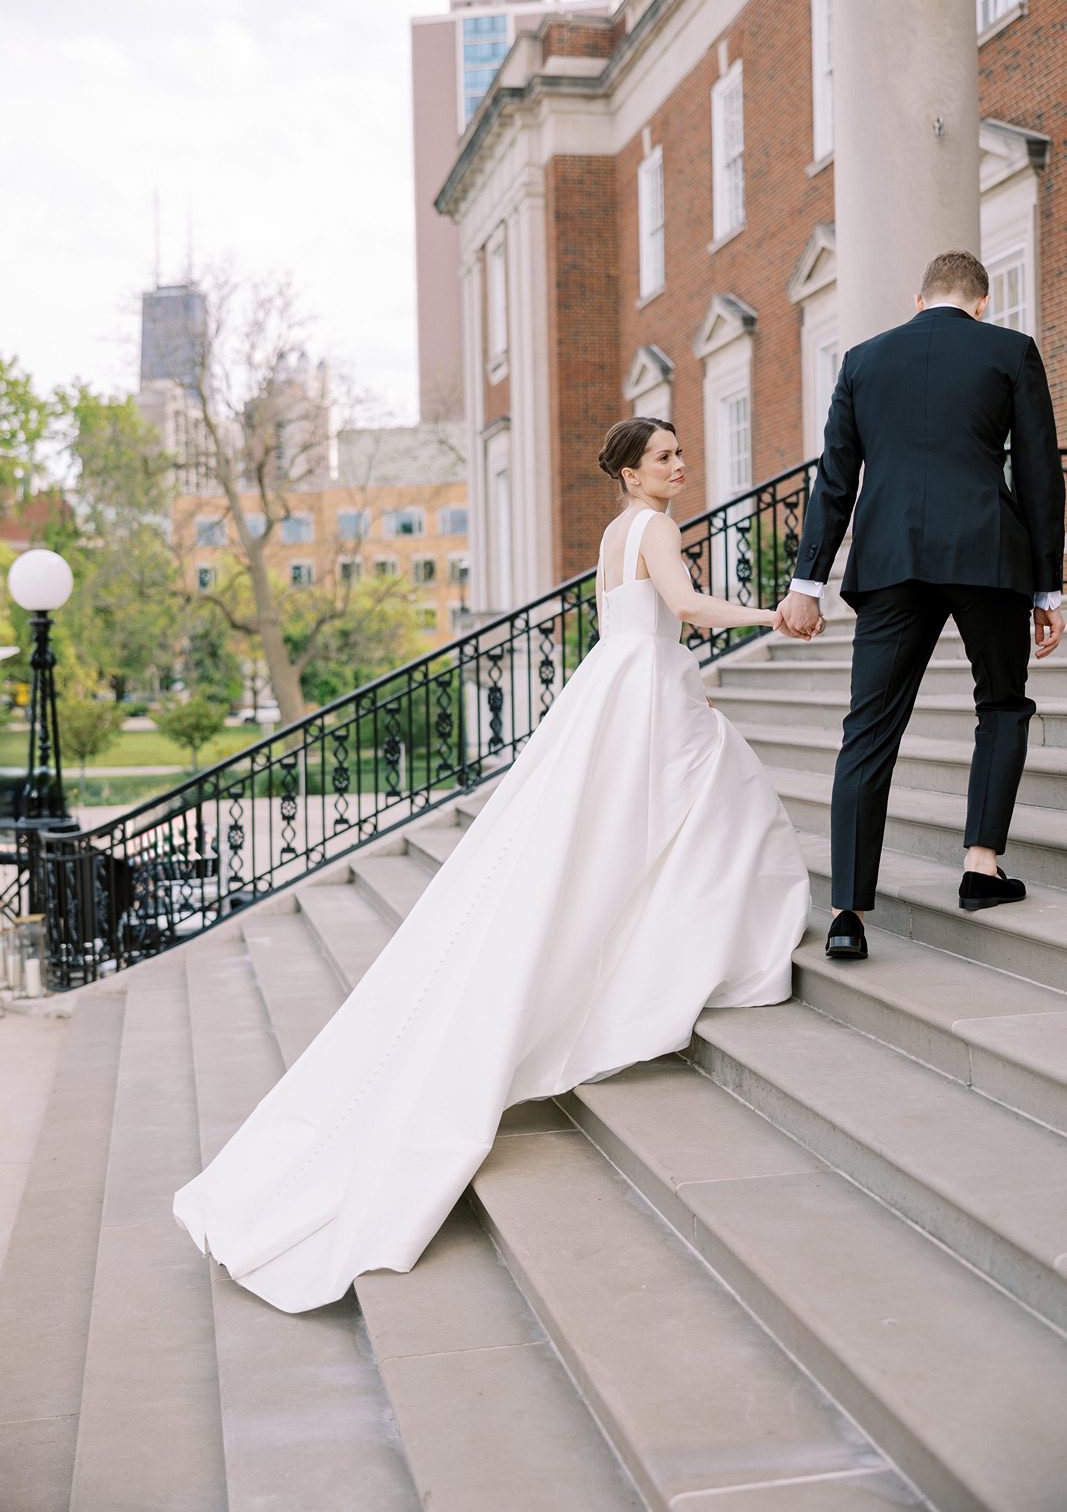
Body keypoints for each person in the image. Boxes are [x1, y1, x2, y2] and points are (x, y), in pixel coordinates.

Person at [174, 417, 810, 1313]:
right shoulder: (656, 529)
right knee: (714, 805)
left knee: (684, 819)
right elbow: (690, 611)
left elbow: (636, 622)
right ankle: (713, 954)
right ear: (632, 473)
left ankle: (695, 946)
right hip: (644, 696)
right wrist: (772, 612)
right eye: (663, 456)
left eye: (676, 454)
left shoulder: (613, 532)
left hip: (622, 688)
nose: (679, 465)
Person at [779, 249, 1064, 960]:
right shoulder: (1009, 350)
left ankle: (846, 911)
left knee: (867, 730)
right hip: (985, 553)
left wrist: (805, 584)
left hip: (889, 558)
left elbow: (834, 478)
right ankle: (978, 866)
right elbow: (1037, 472)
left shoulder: (863, 360)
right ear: (979, 303)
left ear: (917, 297)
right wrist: (1048, 586)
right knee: (1000, 704)